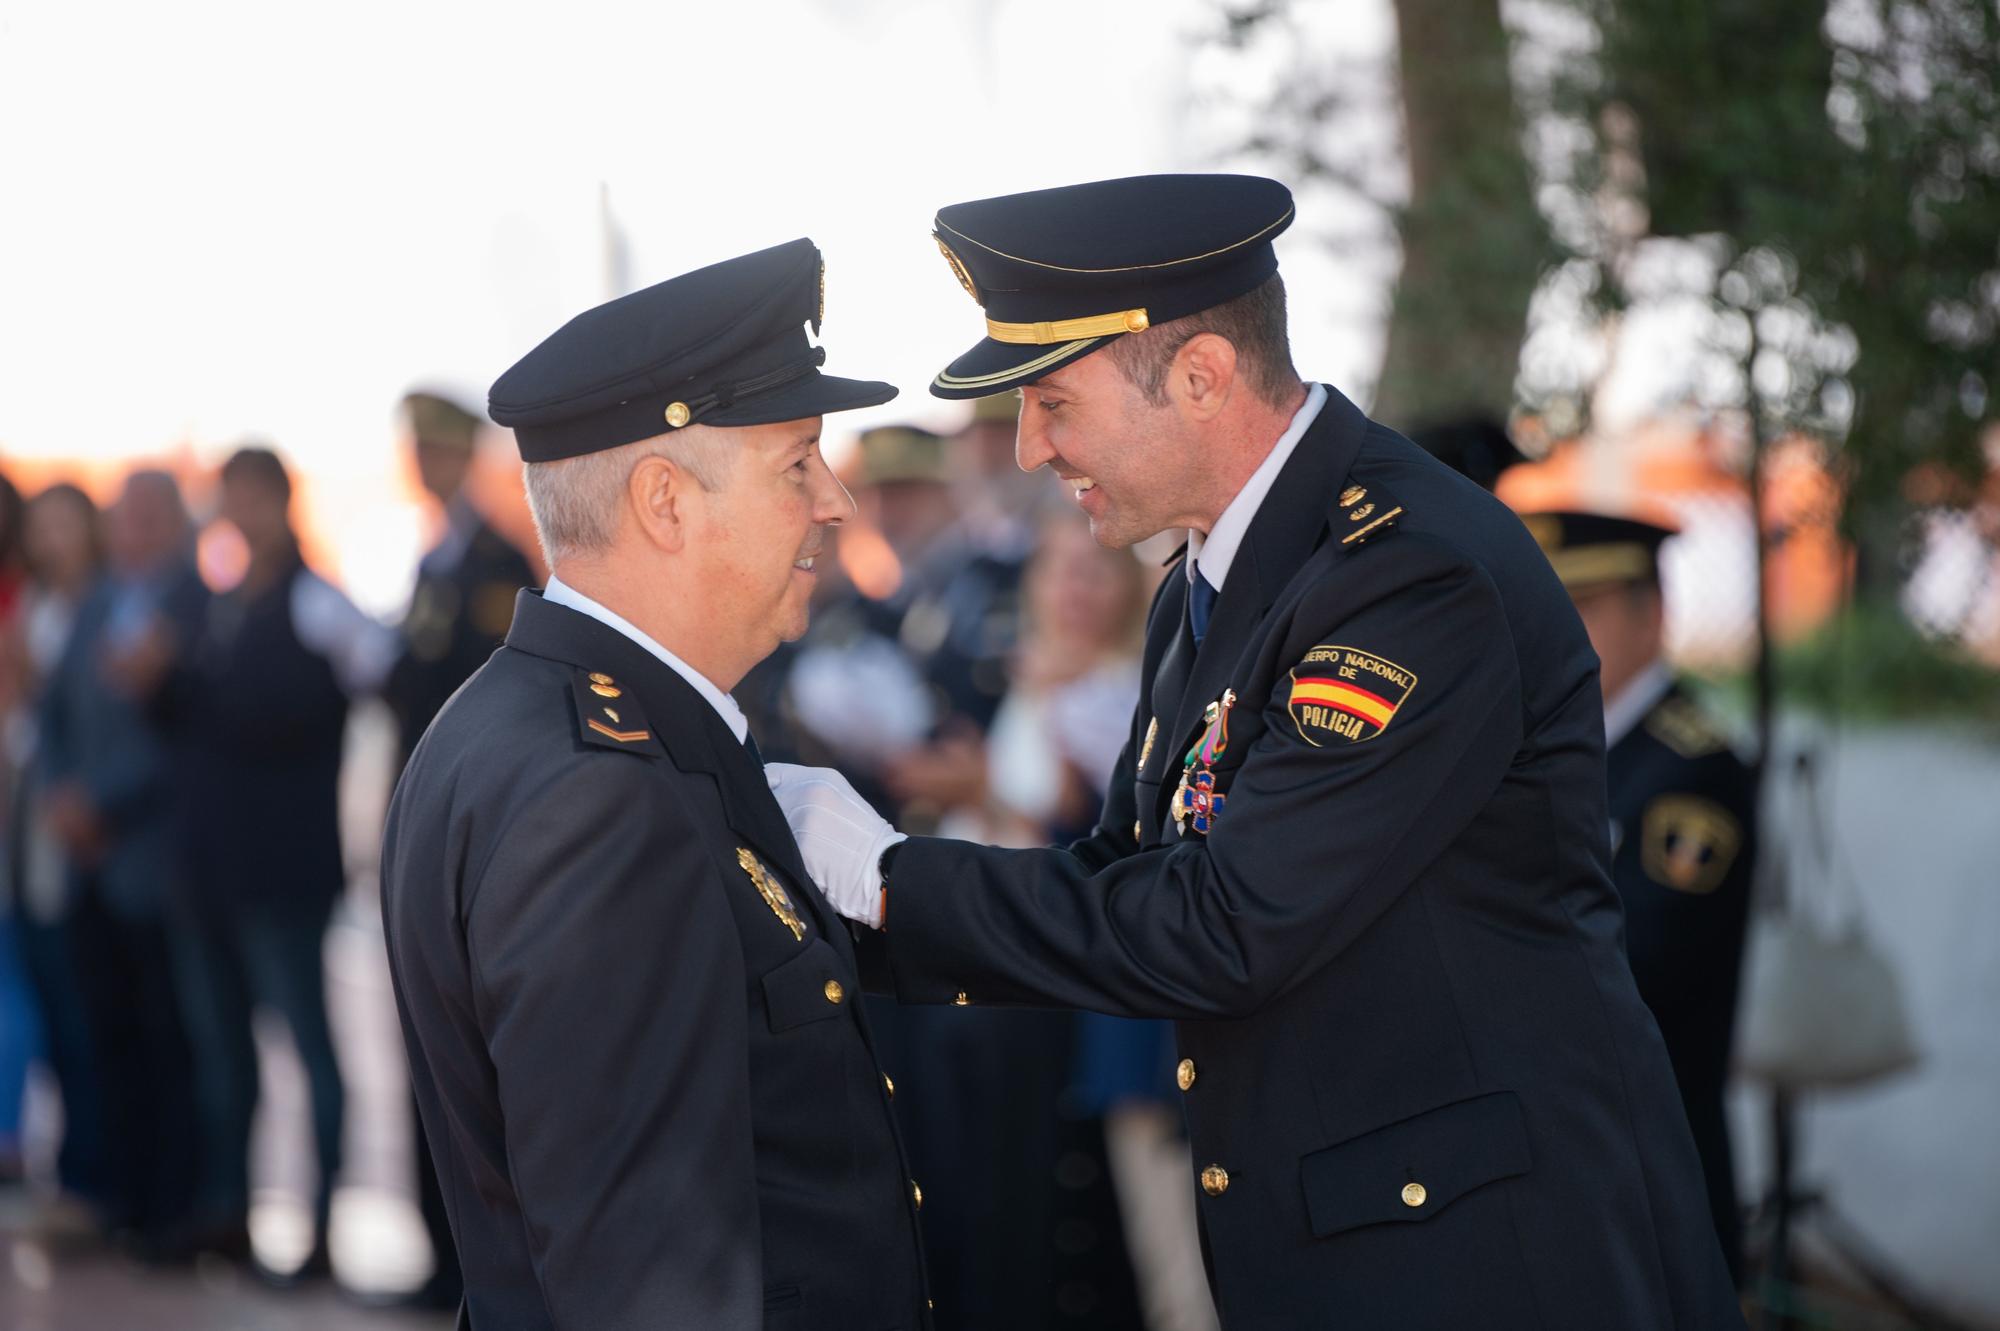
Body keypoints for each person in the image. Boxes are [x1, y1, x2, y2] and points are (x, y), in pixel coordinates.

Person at [769, 174, 1744, 1329]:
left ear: (1199, 376)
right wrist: (847, 907)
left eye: (1052, 401)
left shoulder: (1405, 573)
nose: (1030, 447)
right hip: (1357, 1237)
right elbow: (1124, 873)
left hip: (1490, 1257)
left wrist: (888, 877)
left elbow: (1226, 921)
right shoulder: (1214, 575)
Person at [381, 238, 932, 1328]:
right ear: (665, 501)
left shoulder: (520, 719)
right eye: (796, 463)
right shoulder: (604, 796)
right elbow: (648, 1281)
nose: (833, 502)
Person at [167, 446, 394, 1280]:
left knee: (310, 1052)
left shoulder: (317, 604)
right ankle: (231, 1212)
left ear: (282, 501)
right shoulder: (226, 607)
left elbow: (388, 679)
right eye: (231, 499)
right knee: (226, 1060)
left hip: (284, 873)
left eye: (254, 498)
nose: (242, 514)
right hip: (215, 873)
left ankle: (325, 1229)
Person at [1521, 508, 1756, 1285]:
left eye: (1582, 607)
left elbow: (1637, 964)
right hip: (1555, 1157)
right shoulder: (1548, 748)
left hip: (1647, 1163)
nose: (1557, 629)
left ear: (1652, 614)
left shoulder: (1693, 767)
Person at [380, 388, 535, 1310]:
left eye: (436, 451)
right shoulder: (434, 556)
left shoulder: (490, 561)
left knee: (479, 1070)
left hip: (470, 842)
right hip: (426, 829)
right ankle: (441, 1257)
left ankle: (474, 1268)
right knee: (430, 1063)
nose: (424, 466)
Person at [36, 471, 207, 1252]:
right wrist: (64, 797)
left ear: (174, 523)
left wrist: (100, 803)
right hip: (87, 862)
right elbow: (56, 711)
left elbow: (179, 739)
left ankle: (171, 1209)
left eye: (147, 516)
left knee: (167, 1040)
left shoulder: (195, 605)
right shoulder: (99, 601)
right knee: (104, 1036)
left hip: (150, 860)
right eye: (124, 517)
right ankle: (117, 1197)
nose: (132, 530)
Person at [5, 483, 111, 1227]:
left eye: (64, 522)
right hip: (28, 826)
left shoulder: (101, 608)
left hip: (78, 834)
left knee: (81, 1008)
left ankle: (92, 1176)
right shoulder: (34, 605)